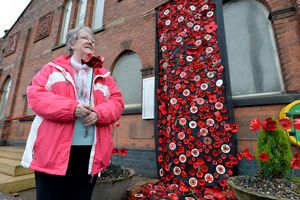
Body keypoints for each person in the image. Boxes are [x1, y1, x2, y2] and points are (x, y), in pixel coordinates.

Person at [21, 26, 124, 200]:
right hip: (53, 150)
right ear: (71, 43)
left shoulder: (104, 74)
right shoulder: (52, 69)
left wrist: (99, 113)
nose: (91, 41)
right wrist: (71, 108)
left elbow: (117, 102)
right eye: (85, 38)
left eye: (93, 39)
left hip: (89, 152)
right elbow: (35, 96)